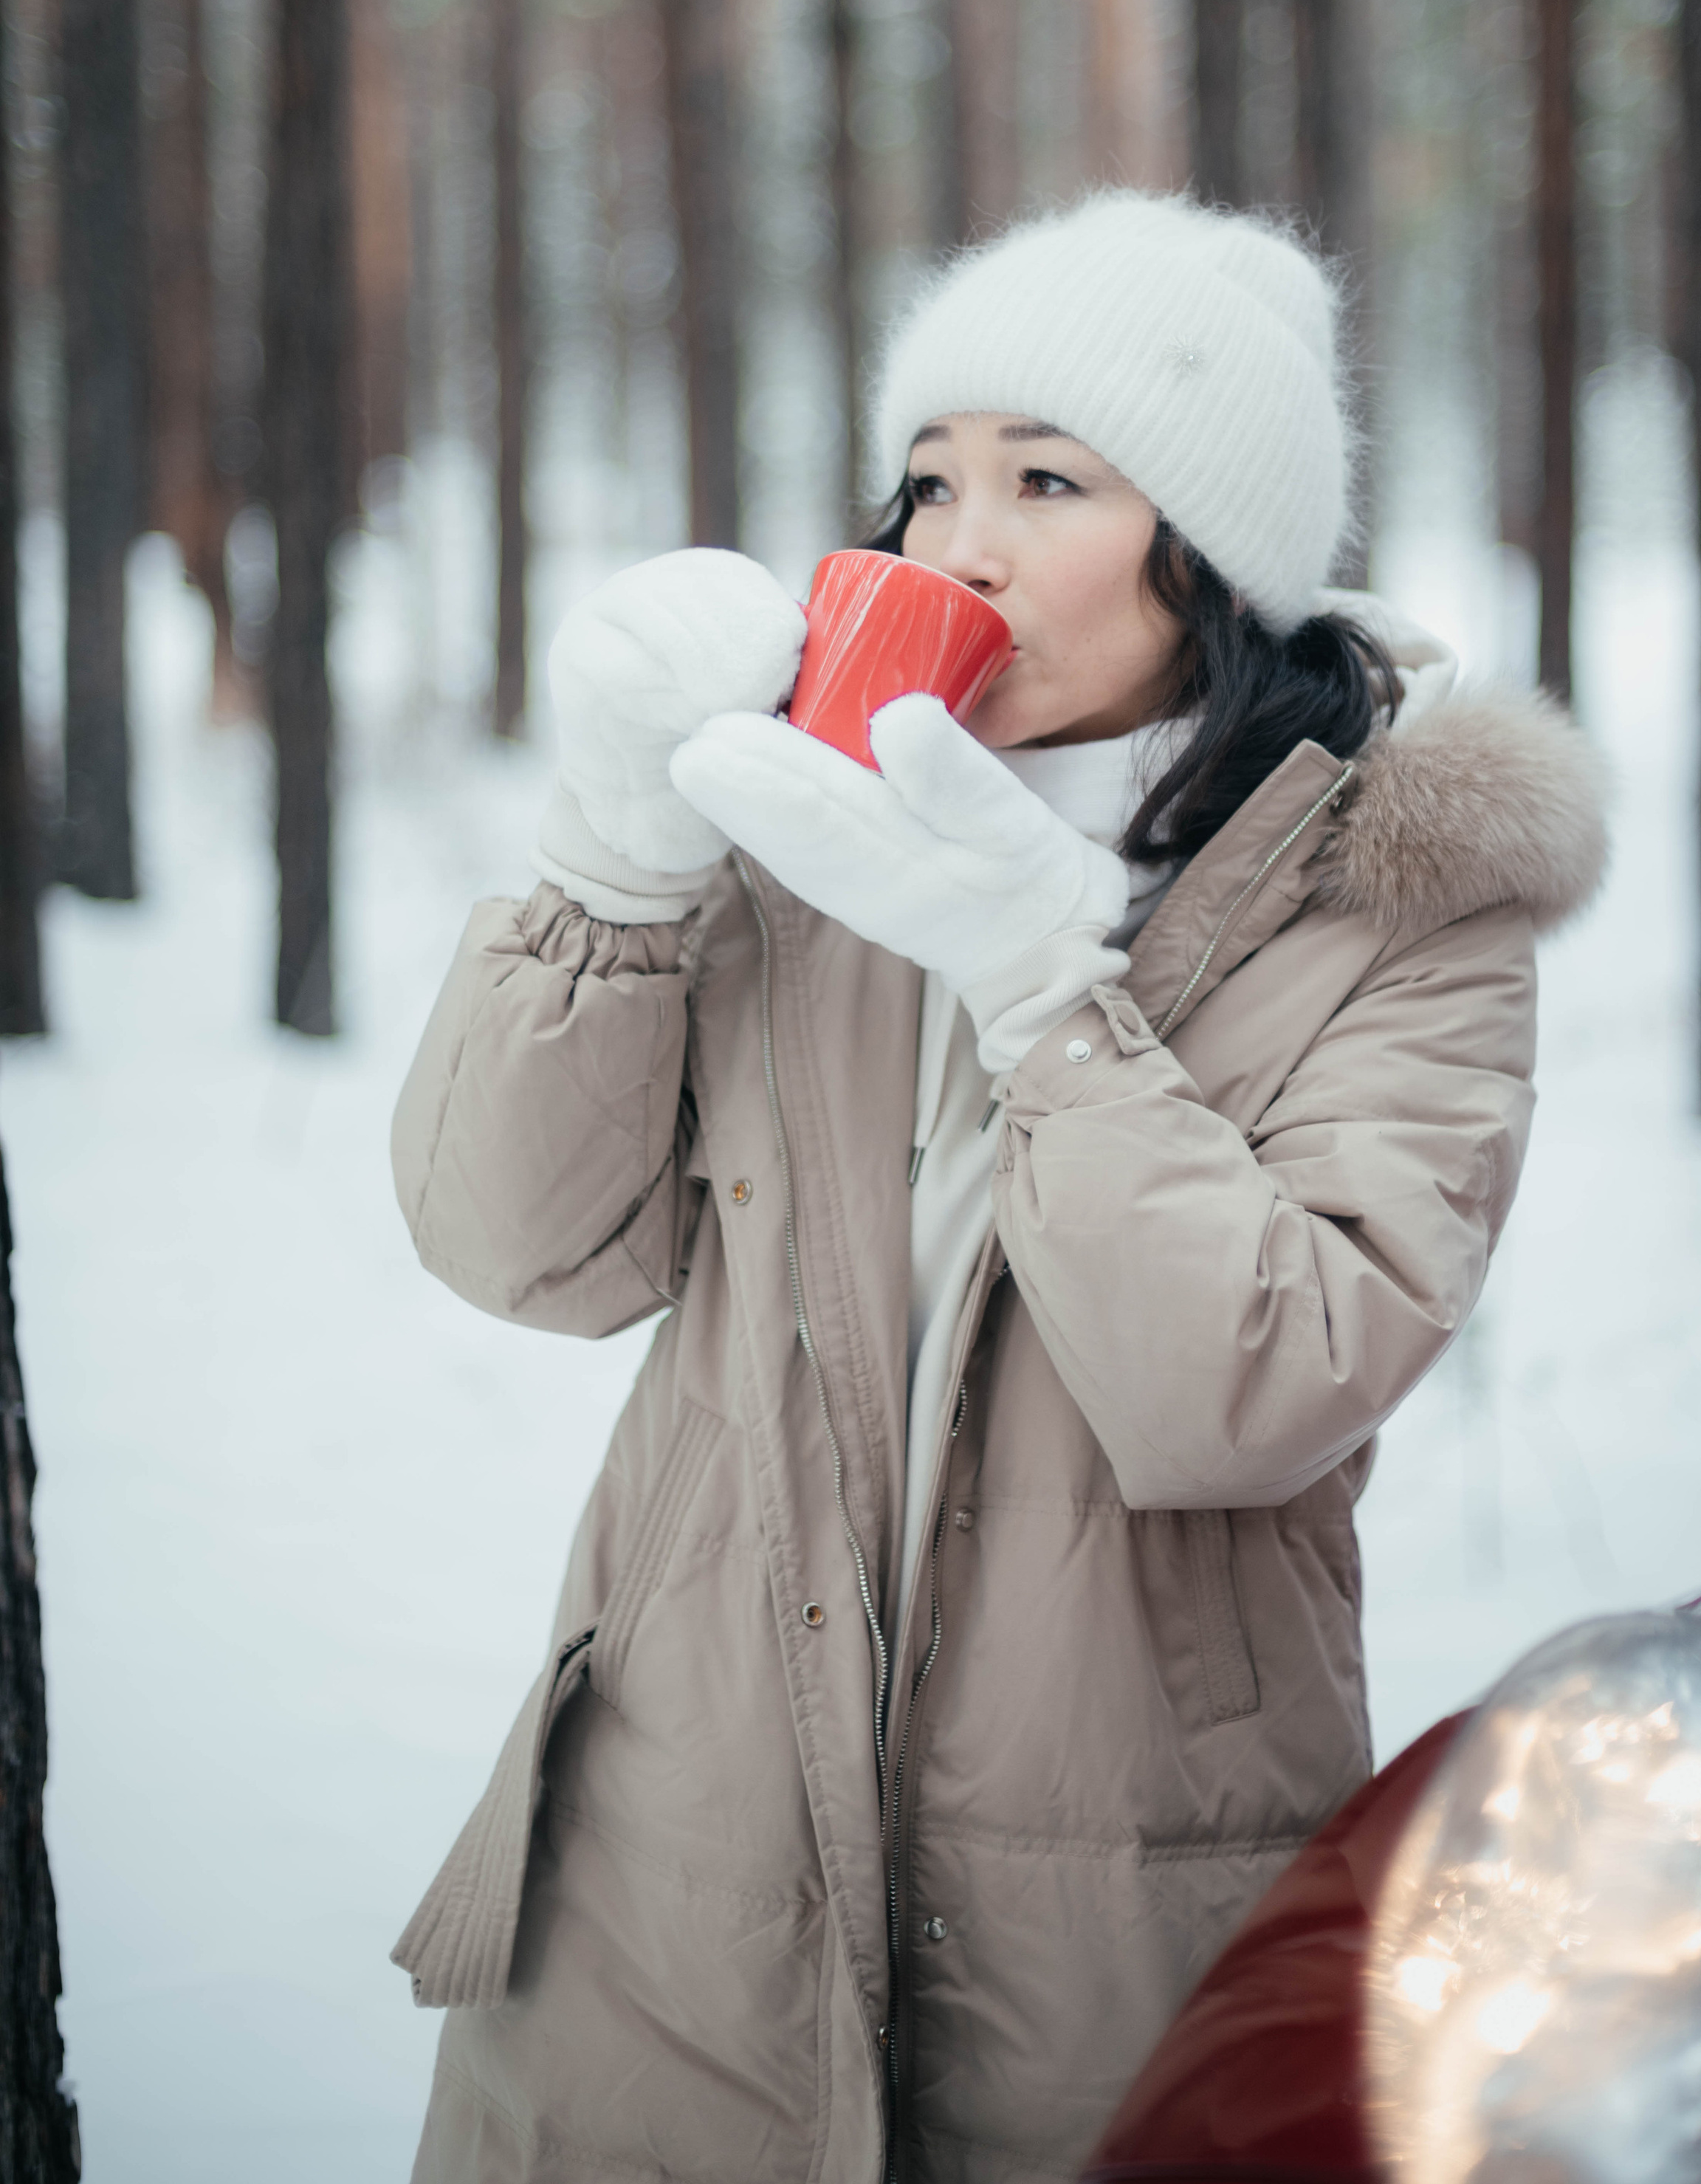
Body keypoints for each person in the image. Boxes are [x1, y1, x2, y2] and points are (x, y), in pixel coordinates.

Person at [388, 190, 1607, 2184]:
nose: (960, 541)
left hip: (1122, 1930)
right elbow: (518, 1247)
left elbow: (1255, 1383)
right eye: (930, 476)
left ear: (1209, 551)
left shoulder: (1406, 905)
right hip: (672, 1904)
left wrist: (1045, 984)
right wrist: (610, 870)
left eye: (1049, 475)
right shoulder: (810, 812)